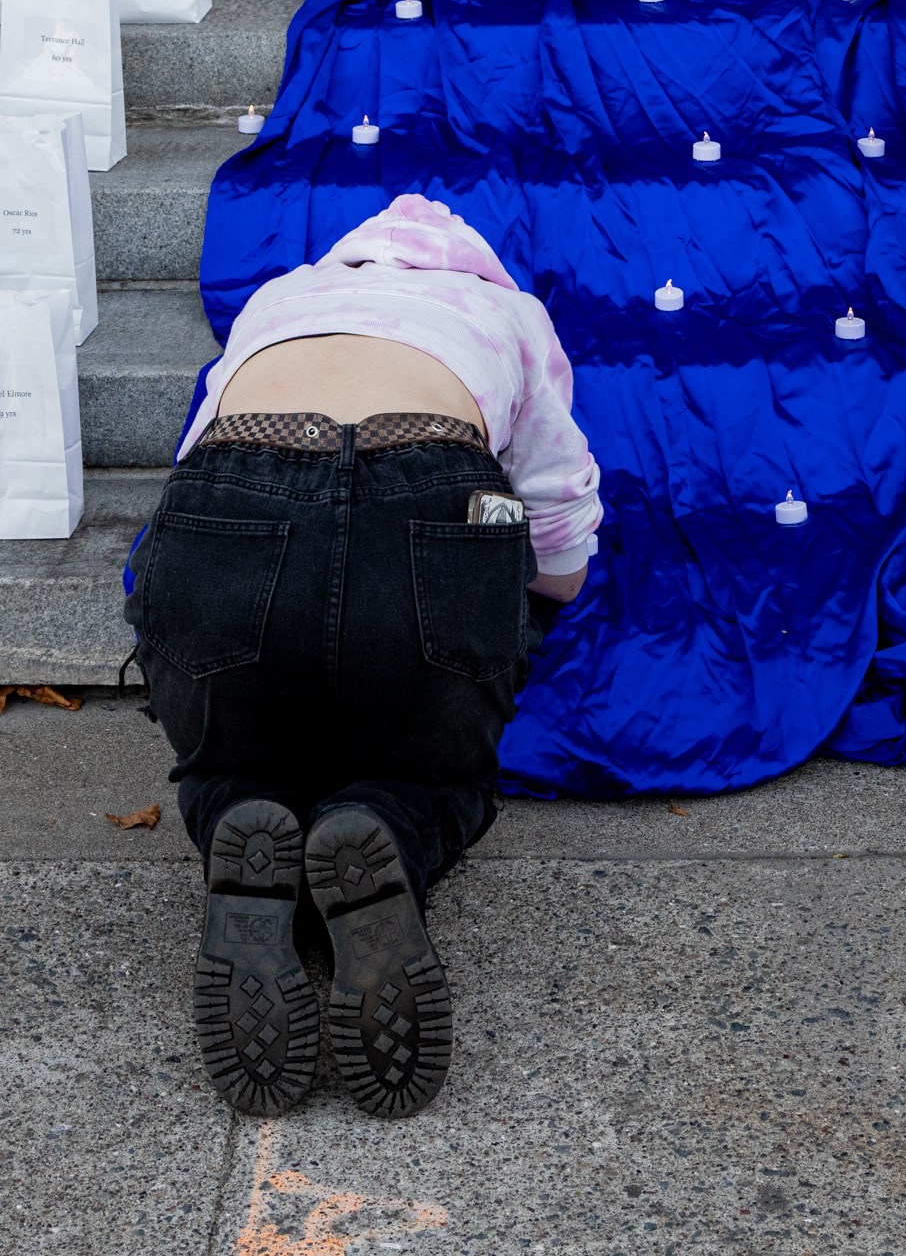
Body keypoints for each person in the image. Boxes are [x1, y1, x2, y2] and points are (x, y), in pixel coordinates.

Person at [125, 195, 601, 1120]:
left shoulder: (279, 299)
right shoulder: (509, 316)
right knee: (443, 731)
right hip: (435, 498)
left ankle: (240, 807)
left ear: (345, 264)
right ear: (473, 270)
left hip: (227, 505)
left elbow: (196, 472)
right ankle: (391, 816)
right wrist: (487, 545)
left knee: (229, 732)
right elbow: (564, 561)